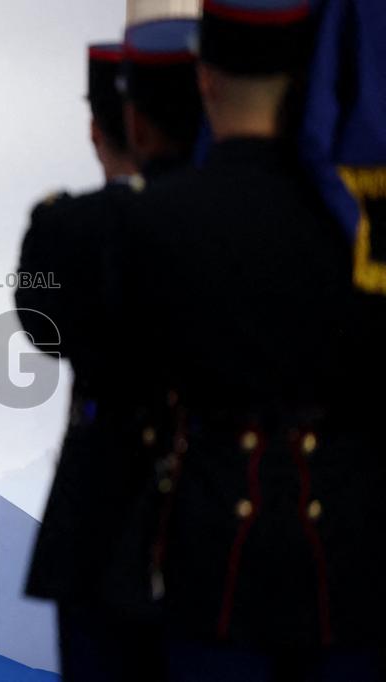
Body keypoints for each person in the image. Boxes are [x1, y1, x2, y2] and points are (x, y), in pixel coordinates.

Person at [109, 1, 386, 678]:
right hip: (351, 542)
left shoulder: (155, 219)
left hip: (209, 533)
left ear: (206, 77)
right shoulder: (359, 223)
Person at [16, 21, 201, 681]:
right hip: (221, 506)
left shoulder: (71, 227)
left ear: (107, 128)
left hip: (103, 502)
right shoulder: (257, 219)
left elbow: (43, 329)